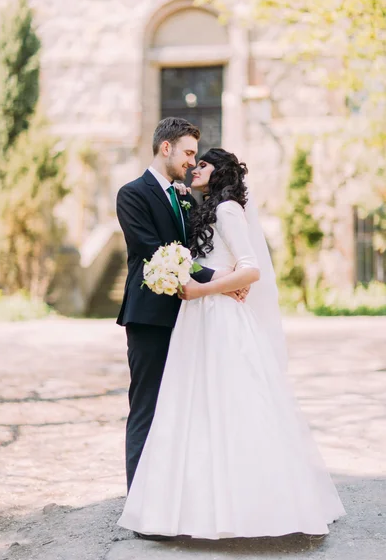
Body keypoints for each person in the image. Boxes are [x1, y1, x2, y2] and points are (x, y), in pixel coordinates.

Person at [118, 148, 346, 539]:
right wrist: (206, 284)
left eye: (202, 163)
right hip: (198, 320)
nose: (194, 167)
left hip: (218, 318)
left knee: (231, 406)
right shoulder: (203, 207)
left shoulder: (226, 210)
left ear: (219, 171)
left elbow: (251, 269)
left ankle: (251, 507)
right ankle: (189, 507)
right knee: (195, 409)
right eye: (192, 158)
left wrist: (206, 287)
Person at [116, 119, 244, 500]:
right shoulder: (132, 194)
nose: (192, 161)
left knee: (188, 406)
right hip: (150, 317)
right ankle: (141, 503)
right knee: (148, 407)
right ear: (166, 148)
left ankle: (180, 498)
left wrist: (221, 283)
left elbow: (200, 244)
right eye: (188, 153)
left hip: (195, 318)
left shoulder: (188, 198)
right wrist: (219, 276)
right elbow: (153, 250)